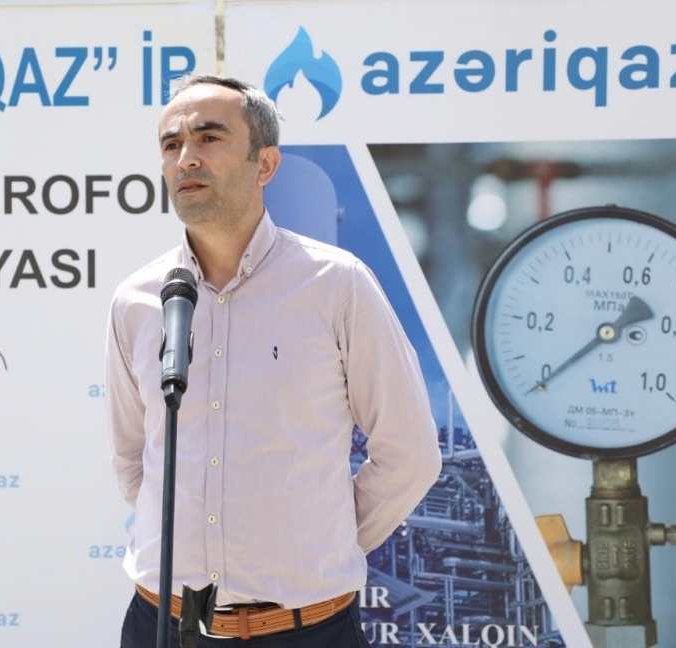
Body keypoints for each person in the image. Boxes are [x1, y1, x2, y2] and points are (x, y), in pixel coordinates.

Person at [105, 73, 442, 647]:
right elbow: (134, 460)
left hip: (306, 631)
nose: (187, 158)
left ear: (265, 164)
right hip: (161, 625)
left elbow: (409, 453)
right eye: (171, 144)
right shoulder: (137, 299)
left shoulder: (336, 284)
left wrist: (321, 547)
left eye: (209, 138)